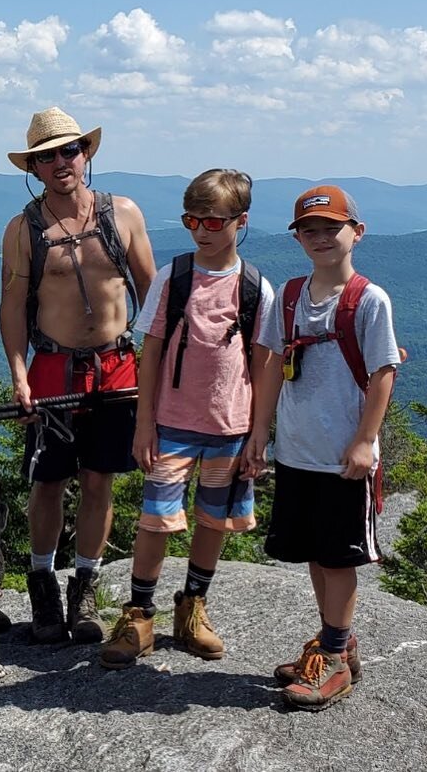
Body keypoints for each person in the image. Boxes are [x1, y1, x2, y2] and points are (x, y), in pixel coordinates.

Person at [99, 169, 274, 669]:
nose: (201, 230)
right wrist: (143, 423)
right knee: (155, 520)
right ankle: (139, 614)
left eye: (214, 221)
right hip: (172, 423)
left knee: (213, 519)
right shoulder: (174, 280)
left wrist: (260, 432)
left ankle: (193, 605)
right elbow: (149, 353)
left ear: (240, 222)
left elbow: (263, 362)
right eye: (192, 219)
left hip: (230, 425)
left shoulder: (256, 286)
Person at [0, 107, 155, 643]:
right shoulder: (24, 229)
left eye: (69, 150)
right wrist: (18, 373)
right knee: (47, 482)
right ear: (35, 167)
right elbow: (13, 306)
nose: (61, 162)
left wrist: (158, 371)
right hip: (52, 369)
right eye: (48, 156)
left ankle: (84, 587)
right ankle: (43, 584)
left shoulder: (124, 214)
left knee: (98, 481)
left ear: (86, 153)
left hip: (117, 367)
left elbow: (151, 296)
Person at [243, 185, 400, 710]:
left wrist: (364, 441)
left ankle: (333, 656)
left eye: (332, 228)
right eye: (309, 231)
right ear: (297, 239)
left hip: (343, 458)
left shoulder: (368, 300)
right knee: (314, 551)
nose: (320, 238)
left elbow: (382, 374)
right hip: (296, 451)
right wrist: (260, 433)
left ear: (357, 232)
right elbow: (268, 366)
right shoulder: (289, 296)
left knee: (337, 558)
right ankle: (336, 640)